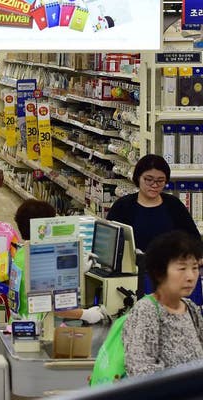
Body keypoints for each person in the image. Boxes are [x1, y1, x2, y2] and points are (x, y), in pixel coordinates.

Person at [107, 154, 201, 300]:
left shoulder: (173, 205)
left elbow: (193, 239)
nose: (154, 185)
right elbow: (110, 243)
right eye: (148, 180)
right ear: (138, 178)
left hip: (171, 276)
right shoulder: (123, 207)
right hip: (135, 276)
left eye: (160, 181)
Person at [11, 199, 107, 323]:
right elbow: (53, 306)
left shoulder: (22, 252)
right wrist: (86, 314)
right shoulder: (37, 261)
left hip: (17, 323)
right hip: (34, 327)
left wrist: (74, 270)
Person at [123, 230, 203, 377]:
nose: (191, 276)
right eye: (182, 268)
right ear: (159, 272)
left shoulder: (190, 308)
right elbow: (141, 373)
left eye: (195, 268)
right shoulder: (147, 311)